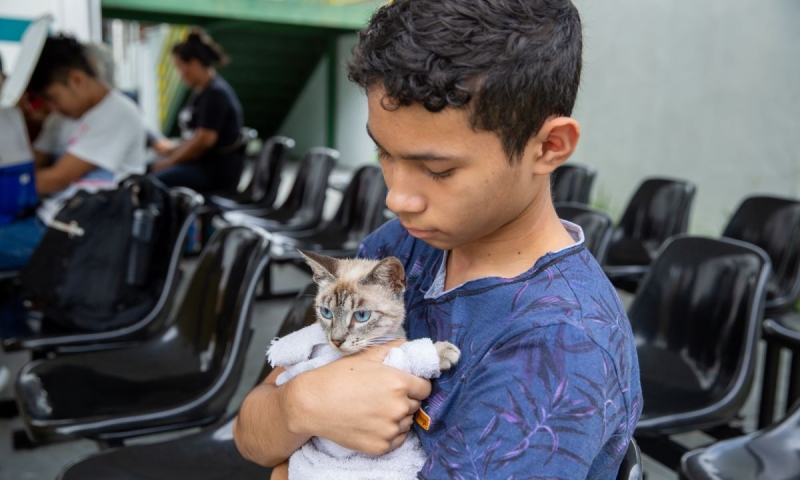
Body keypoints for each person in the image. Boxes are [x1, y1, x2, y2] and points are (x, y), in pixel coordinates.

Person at [233, 1, 643, 479]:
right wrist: (300, 403)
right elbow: (252, 433)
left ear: (548, 147)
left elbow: (273, 457)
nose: (396, 197)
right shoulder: (401, 245)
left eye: (437, 170)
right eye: (383, 153)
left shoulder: (557, 347)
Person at [0, 34, 146, 270]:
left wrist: (13, 183)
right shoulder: (62, 118)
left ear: (77, 80)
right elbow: (33, 164)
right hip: (50, 219)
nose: (51, 108)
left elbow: (57, 178)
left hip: (81, 233)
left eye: (52, 98)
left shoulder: (118, 114)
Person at [149, 28, 244, 193]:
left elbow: (203, 142)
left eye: (180, 67)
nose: (180, 75)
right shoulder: (202, 92)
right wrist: (171, 152)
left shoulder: (216, 94)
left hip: (213, 172)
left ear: (194, 64)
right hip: (201, 166)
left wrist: (169, 162)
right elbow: (193, 139)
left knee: (151, 183)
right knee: (147, 168)